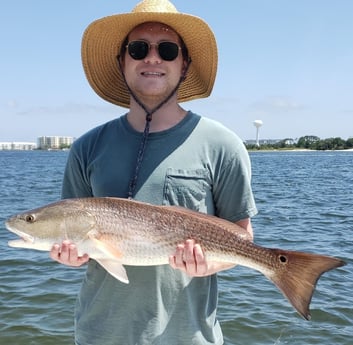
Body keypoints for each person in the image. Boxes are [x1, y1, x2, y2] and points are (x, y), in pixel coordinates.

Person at [50, 0, 257, 344]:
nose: (152, 57)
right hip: (99, 334)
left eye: (168, 49)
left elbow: (242, 239)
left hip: (191, 336)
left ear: (185, 64)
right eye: (138, 48)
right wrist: (69, 257)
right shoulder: (86, 147)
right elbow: (75, 231)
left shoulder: (223, 144)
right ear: (122, 62)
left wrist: (209, 263)